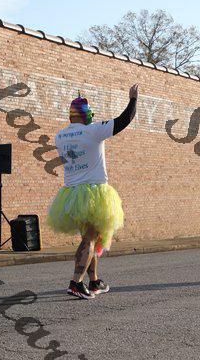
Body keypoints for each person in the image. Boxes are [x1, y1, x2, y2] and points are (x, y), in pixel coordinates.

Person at [48, 84, 139, 299]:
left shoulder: (60, 136)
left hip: (71, 194)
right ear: (86, 114)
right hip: (94, 192)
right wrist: (133, 99)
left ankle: (94, 281)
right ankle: (75, 282)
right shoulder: (93, 130)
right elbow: (124, 119)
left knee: (90, 238)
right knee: (90, 239)